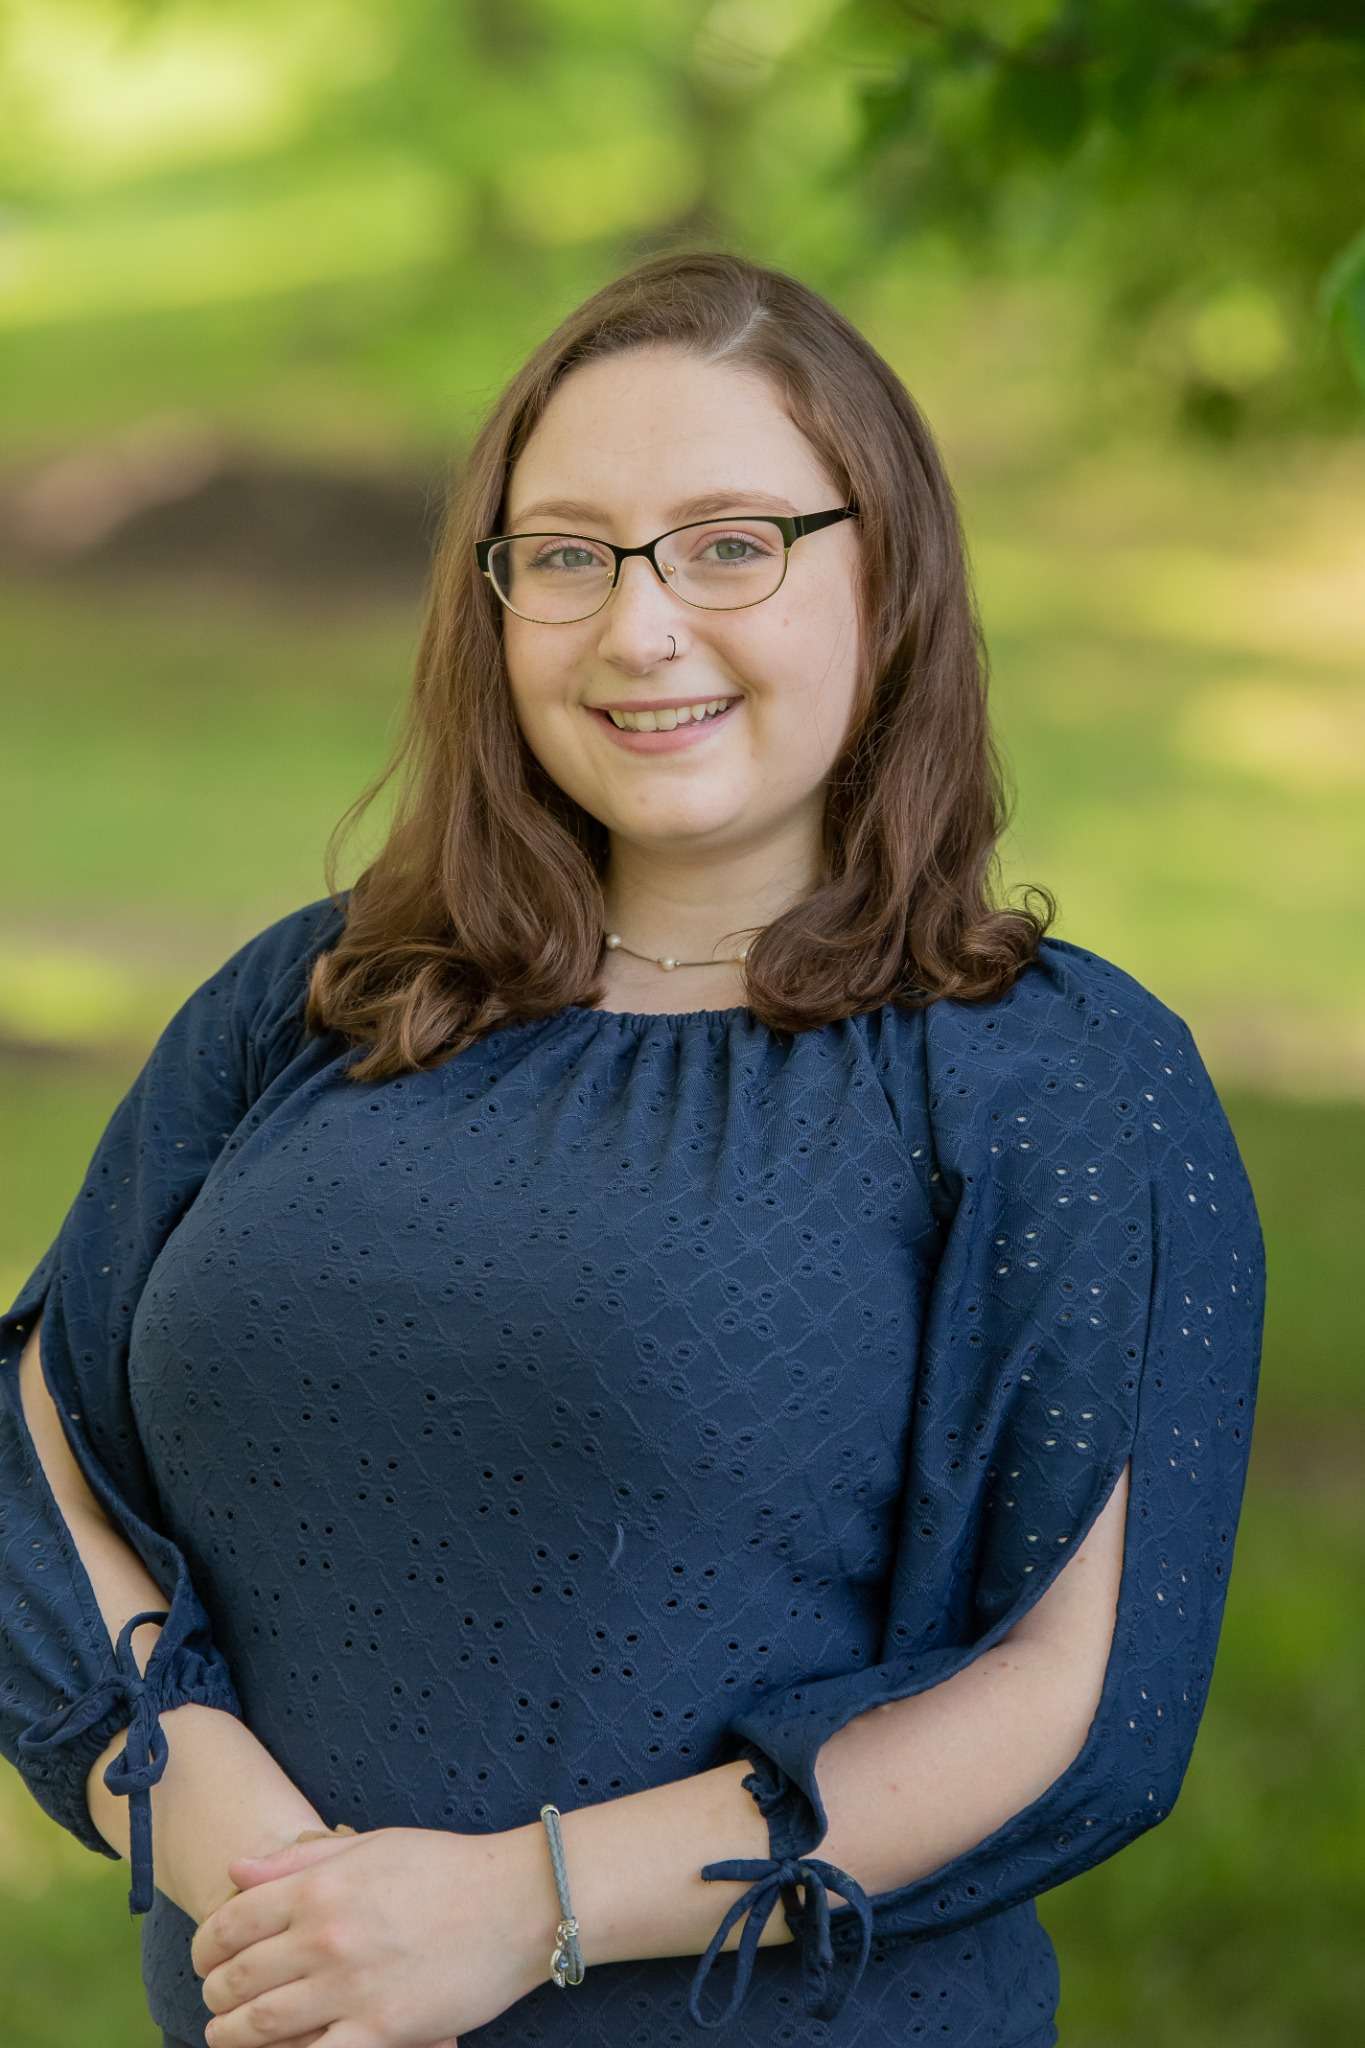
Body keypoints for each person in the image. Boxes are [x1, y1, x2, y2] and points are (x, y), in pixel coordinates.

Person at [0, 249, 1266, 2048]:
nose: (639, 626)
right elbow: (38, 1439)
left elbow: (1065, 1697)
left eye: (731, 543)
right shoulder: (316, 994)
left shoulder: (1051, 1076)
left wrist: (520, 1913)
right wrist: (235, 1841)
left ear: (885, 573)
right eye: (569, 555)